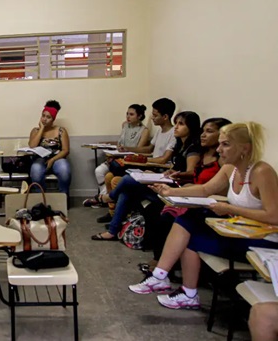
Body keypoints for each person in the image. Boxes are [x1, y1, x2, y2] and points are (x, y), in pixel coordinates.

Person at [128, 122, 278, 310]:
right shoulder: (230, 169)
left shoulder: (262, 172)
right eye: (220, 144)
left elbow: (273, 216)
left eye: (225, 145)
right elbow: (206, 189)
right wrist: (170, 191)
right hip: (239, 232)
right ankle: (162, 277)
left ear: (244, 148)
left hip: (263, 240)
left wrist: (229, 208)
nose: (219, 149)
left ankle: (183, 290)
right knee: (188, 218)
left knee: (193, 239)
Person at [90, 111, 201, 241]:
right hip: (165, 181)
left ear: (191, 127)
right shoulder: (180, 144)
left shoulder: (193, 149)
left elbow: (190, 173)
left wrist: (170, 174)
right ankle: (112, 230)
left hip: (174, 189)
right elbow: (173, 166)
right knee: (126, 190)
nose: (176, 127)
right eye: (176, 123)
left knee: (127, 180)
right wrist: (159, 174)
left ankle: (109, 198)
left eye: (181, 124)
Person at [144, 117, 231, 271]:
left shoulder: (224, 162)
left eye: (209, 131)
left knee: (168, 218)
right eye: (203, 131)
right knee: (152, 209)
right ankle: (159, 259)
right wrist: (179, 176)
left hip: (206, 202)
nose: (203, 135)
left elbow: (210, 188)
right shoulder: (201, 154)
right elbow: (197, 178)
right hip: (192, 195)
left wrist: (175, 189)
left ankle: (165, 266)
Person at [92, 98, 177, 222]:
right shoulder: (160, 131)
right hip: (149, 167)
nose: (152, 118)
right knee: (109, 176)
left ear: (165, 116)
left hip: (156, 170)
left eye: (155, 115)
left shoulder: (172, 133)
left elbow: (163, 160)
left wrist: (142, 161)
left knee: (116, 180)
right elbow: (148, 149)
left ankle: (113, 206)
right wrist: (128, 150)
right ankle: (112, 213)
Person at [83, 104, 150, 205]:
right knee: (99, 171)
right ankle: (104, 196)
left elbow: (138, 150)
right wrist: (108, 144)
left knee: (111, 173)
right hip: (116, 157)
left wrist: (124, 150)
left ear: (139, 116)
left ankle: (103, 199)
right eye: (127, 114)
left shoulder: (144, 131)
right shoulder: (124, 125)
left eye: (131, 114)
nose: (128, 116)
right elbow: (121, 143)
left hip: (128, 160)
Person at [28, 100, 71, 194]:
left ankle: (63, 199)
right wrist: (42, 129)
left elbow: (66, 150)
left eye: (48, 117)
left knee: (64, 170)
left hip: (57, 158)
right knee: (35, 170)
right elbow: (32, 146)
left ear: (53, 119)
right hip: (40, 159)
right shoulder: (35, 131)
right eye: (43, 116)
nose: (44, 119)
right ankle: (41, 200)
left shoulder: (61, 131)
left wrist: (52, 160)